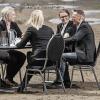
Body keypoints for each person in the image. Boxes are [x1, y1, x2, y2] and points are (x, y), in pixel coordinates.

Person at [16, 10, 54, 92]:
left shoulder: (31, 29)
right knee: (32, 58)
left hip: (38, 61)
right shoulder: (50, 29)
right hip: (51, 61)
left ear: (32, 18)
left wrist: (20, 40)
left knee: (30, 57)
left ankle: (22, 86)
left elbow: (20, 45)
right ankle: (23, 85)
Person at [60, 9, 96, 88]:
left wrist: (61, 41)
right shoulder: (79, 26)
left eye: (74, 17)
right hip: (82, 54)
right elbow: (73, 36)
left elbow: (75, 38)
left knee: (62, 57)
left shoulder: (84, 26)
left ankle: (62, 82)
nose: (72, 19)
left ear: (81, 17)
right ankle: (65, 82)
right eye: (72, 17)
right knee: (63, 54)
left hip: (85, 56)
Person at [0, 6, 26, 87]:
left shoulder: (13, 24)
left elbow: (19, 35)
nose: (15, 16)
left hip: (9, 49)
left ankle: (8, 78)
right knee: (12, 57)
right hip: (1, 49)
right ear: (7, 15)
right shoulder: (0, 24)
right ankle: (5, 81)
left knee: (22, 56)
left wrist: (23, 36)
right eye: (13, 14)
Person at [53, 9, 76, 86]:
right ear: (59, 18)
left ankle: (60, 80)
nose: (63, 18)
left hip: (70, 48)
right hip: (61, 47)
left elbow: (67, 35)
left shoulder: (72, 24)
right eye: (61, 17)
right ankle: (65, 80)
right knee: (55, 53)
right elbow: (57, 37)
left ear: (69, 16)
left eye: (65, 16)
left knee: (58, 55)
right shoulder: (59, 25)